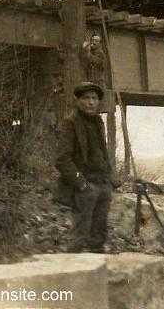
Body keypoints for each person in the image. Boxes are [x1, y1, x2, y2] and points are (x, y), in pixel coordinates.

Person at [55, 81, 114, 253]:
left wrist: (110, 179)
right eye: (86, 98)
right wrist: (81, 184)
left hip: (103, 184)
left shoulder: (98, 122)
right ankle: (72, 267)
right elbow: (62, 159)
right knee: (79, 236)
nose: (91, 102)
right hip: (85, 186)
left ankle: (97, 266)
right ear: (78, 101)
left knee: (99, 236)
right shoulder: (70, 123)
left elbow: (102, 152)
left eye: (94, 98)